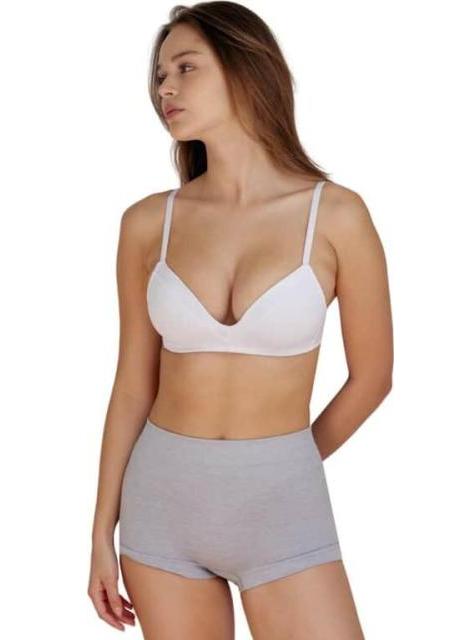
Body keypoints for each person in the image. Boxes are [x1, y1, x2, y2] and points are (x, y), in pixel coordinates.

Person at [88, 2, 393, 638]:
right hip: (161, 507)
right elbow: (133, 385)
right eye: (160, 75)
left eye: (185, 68)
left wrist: (285, 464)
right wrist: (99, 534)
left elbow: (373, 378)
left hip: (283, 508)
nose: (165, 88)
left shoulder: (336, 215)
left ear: (245, 69)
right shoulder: (147, 223)